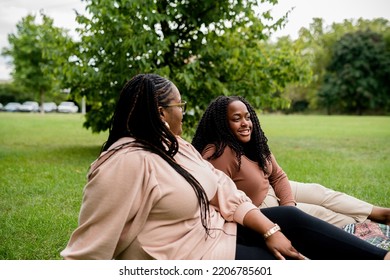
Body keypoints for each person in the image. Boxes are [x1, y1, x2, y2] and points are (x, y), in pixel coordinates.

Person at [61, 74, 390, 260]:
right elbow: (88, 249)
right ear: (160, 112)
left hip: (219, 230)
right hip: (188, 258)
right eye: (180, 106)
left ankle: (380, 262)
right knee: (288, 262)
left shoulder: (177, 148)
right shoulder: (125, 163)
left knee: (291, 218)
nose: (184, 113)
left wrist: (269, 229)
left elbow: (223, 188)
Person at [191, 95, 390, 228]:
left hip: (271, 189)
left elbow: (277, 175)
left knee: (319, 192)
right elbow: (219, 201)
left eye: (248, 117)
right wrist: (288, 215)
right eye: (236, 118)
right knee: (322, 214)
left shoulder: (253, 143)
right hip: (260, 207)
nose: (246, 123)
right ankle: (360, 228)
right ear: (222, 123)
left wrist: (289, 206)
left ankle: (380, 214)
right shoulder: (219, 153)